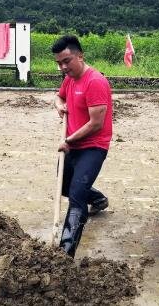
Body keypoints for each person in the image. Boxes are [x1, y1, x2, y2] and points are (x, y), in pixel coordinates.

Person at [52, 35, 113, 257]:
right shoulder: (69, 79)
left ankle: (64, 254)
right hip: (72, 145)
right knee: (64, 186)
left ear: (80, 56)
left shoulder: (95, 82)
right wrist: (60, 106)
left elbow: (96, 124)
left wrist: (68, 141)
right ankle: (97, 199)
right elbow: (59, 98)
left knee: (76, 197)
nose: (62, 67)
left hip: (92, 146)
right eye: (59, 63)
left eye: (66, 61)